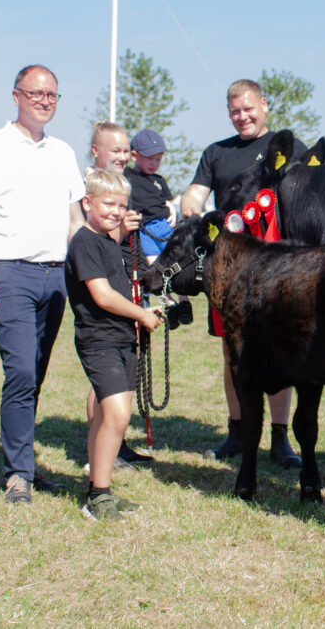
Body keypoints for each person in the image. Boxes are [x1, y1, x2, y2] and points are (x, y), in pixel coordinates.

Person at [0, 64, 86, 504]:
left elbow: (76, 222)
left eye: (52, 95)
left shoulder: (64, 153)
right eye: (36, 93)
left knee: (35, 371)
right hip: (8, 272)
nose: (44, 100)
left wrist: (91, 266)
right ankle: (18, 473)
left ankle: (25, 463)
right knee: (19, 371)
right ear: (16, 95)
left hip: (56, 276)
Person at [180, 79, 304, 468]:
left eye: (249, 108)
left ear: (264, 105)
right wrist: (189, 206)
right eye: (235, 111)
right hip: (228, 270)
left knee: (279, 351)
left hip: (277, 266)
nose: (242, 116)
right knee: (232, 352)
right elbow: (195, 195)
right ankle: (236, 433)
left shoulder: (289, 148)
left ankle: (280, 440)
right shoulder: (216, 152)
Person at [66, 168, 166, 520]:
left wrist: (144, 310)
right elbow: (103, 296)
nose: (115, 211)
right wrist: (140, 314)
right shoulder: (84, 242)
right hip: (99, 341)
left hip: (122, 339)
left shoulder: (109, 240)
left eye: (121, 205)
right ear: (87, 202)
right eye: (108, 204)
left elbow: (118, 292)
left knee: (105, 418)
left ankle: (99, 488)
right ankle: (100, 496)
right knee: (118, 416)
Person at [84, 120, 152, 469]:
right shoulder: (88, 192)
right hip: (100, 293)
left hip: (123, 280)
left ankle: (114, 446)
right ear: (97, 151)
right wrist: (119, 231)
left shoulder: (127, 188)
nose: (124, 156)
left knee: (123, 373)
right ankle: (98, 452)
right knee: (104, 379)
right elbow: (87, 246)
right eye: (117, 150)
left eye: (127, 150)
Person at [125, 128, 192, 324]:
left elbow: (166, 202)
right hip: (146, 231)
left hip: (165, 227)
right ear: (135, 156)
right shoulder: (128, 177)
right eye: (150, 159)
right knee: (156, 269)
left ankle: (184, 300)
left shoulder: (159, 181)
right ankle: (169, 303)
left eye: (158, 159)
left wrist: (172, 209)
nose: (154, 163)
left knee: (177, 264)